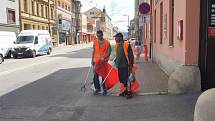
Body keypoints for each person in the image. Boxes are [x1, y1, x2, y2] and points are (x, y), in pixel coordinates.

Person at [114, 32, 134, 99]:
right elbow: (118, 55)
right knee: (122, 79)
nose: (115, 39)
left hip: (126, 65)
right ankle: (125, 90)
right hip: (120, 66)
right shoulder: (117, 45)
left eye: (116, 37)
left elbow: (131, 55)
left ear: (120, 38)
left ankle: (129, 92)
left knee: (127, 79)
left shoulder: (126, 44)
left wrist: (131, 65)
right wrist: (115, 61)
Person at [91, 30, 112, 95]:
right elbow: (94, 51)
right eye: (97, 36)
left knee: (104, 75)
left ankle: (104, 89)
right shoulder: (95, 42)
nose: (98, 37)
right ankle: (97, 88)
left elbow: (109, 52)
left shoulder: (107, 42)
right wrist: (92, 60)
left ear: (102, 35)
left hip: (103, 61)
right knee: (95, 75)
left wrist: (105, 57)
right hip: (96, 61)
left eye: (100, 36)